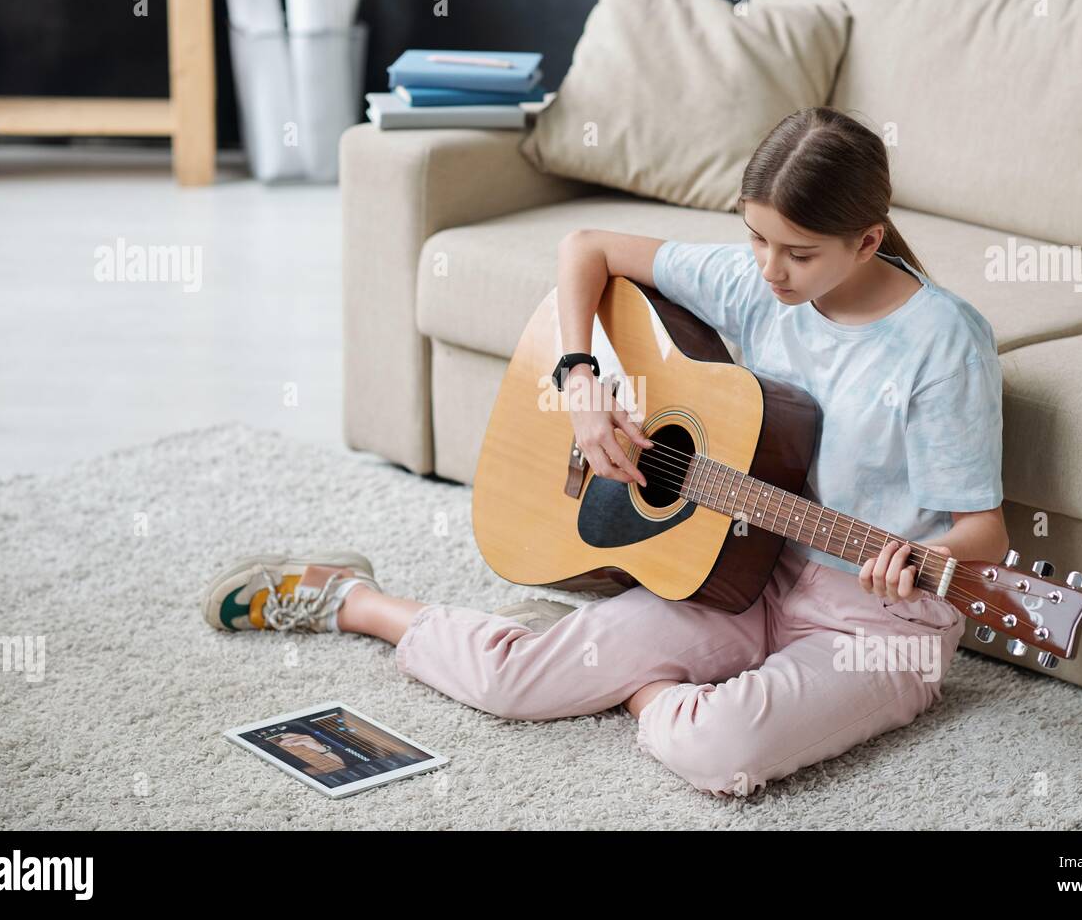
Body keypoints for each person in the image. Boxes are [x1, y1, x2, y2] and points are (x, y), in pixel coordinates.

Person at [202, 106, 1009, 798]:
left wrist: (920, 554)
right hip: (741, 565)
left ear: (868, 241)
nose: (769, 270)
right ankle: (353, 599)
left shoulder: (944, 344)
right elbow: (586, 246)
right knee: (507, 683)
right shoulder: (754, 280)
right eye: (756, 237)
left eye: (798, 253)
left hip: (875, 622)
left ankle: (635, 683)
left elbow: (986, 535)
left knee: (718, 749)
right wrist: (583, 381)